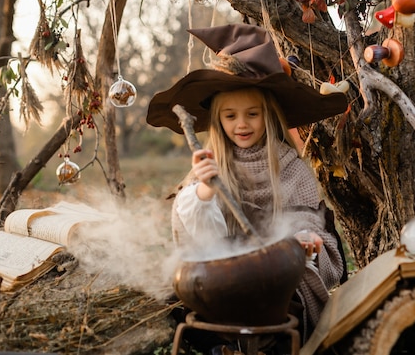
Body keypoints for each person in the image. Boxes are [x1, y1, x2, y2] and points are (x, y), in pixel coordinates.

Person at [146, 23, 348, 348]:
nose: (241, 124)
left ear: (268, 115)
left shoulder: (292, 167)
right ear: (217, 120)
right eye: (230, 116)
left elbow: (307, 222)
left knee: (277, 298)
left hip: (277, 278)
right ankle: (224, 346)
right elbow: (195, 233)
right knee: (181, 298)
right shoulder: (212, 163)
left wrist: (301, 241)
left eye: (252, 114)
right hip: (226, 274)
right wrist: (204, 191)